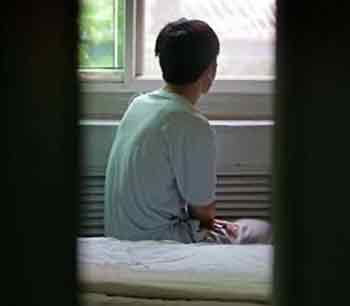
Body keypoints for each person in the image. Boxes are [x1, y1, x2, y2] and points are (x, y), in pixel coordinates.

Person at [104, 18, 272, 244]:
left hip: (119, 238)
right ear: (210, 70)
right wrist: (208, 222)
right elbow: (203, 212)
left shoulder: (139, 104)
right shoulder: (190, 123)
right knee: (262, 231)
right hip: (158, 242)